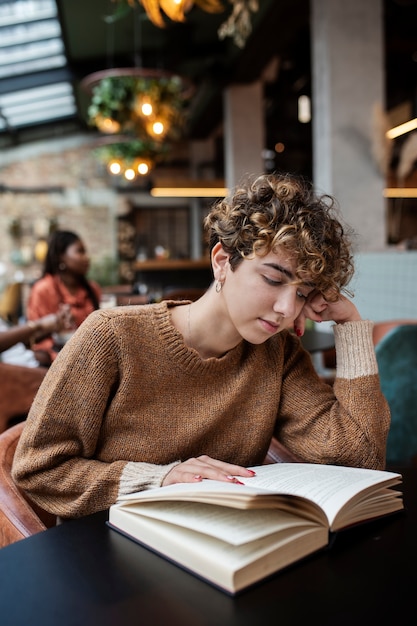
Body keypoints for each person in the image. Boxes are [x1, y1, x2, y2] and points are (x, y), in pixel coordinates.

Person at [12, 173, 390, 520]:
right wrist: (159, 480)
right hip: (108, 550)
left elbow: (360, 458)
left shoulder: (279, 353)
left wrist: (350, 325)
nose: (287, 309)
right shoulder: (111, 337)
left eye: (303, 293)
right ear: (222, 261)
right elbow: (39, 467)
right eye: (274, 279)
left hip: (220, 545)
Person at [26, 230, 102, 365]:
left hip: (92, 357)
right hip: (55, 361)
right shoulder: (44, 289)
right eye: (80, 251)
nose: (87, 257)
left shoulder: (92, 289)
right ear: (61, 257)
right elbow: (35, 338)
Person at [0, 310, 71, 368]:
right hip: (19, 371)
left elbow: (20, 340)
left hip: (31, 360)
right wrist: (37, 325)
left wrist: (53, 326)